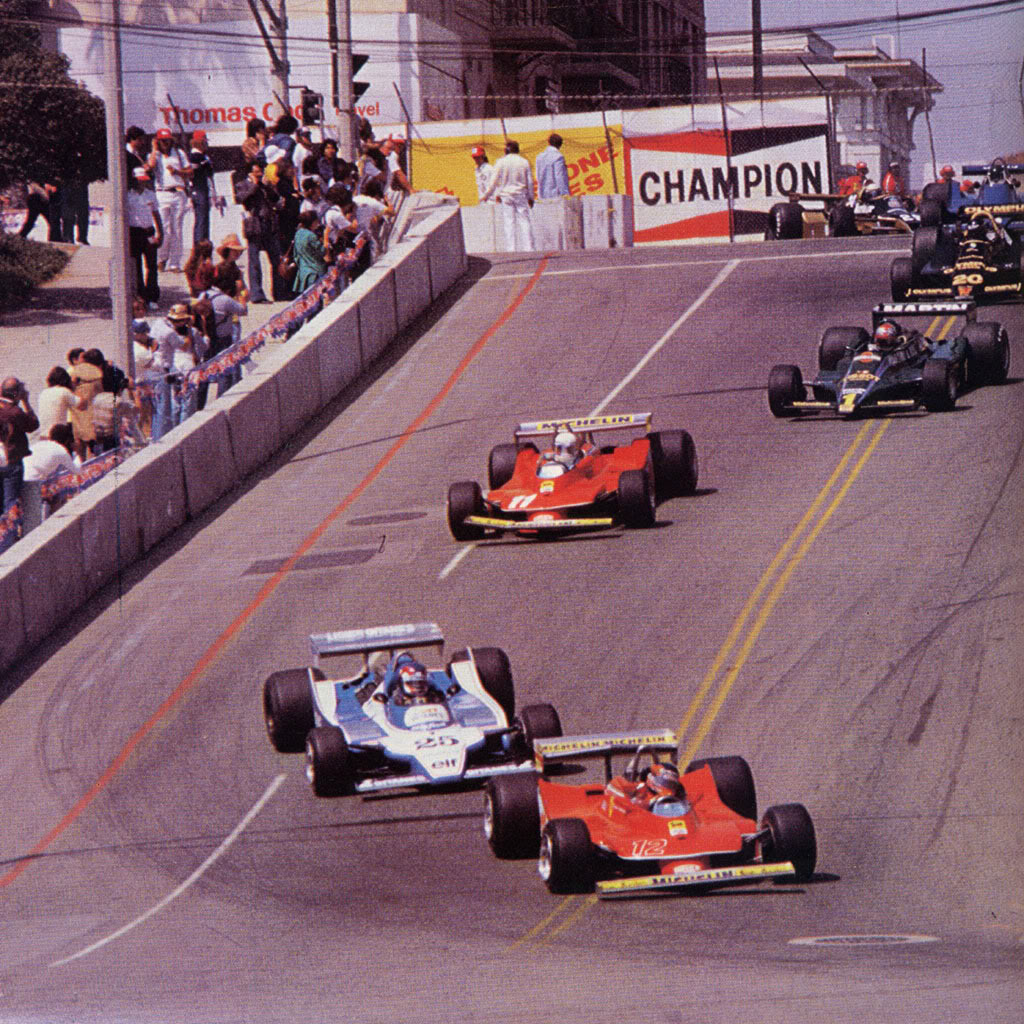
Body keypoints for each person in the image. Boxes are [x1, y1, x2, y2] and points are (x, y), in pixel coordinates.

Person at [235, 160, 285, 303]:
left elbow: (275, 198)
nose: (259, 174)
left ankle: (279, 292)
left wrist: (266, 186)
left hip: (268, 224)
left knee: (276, 259)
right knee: (254, 261)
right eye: (256, 171)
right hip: (254, 224)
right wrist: (254, 185)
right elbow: (241, 198)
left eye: (260, 172)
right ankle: (257, 294)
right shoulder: (242, 184)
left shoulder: (264, 186)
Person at [480, 139, 535, 252]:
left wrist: (486, 195)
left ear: (506, 150)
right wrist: (531, 197)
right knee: (524, 220)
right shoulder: (524, 162)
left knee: (509, 222)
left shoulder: (500, 162)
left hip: (506, 196)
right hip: (520, 194)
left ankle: (511, 249)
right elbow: (529, 181)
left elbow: (493, 182)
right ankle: (529, 247)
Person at [150, 127, 192, 272]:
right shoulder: (155, 155)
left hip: (178, 192)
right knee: (163, 228)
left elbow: (190, 172)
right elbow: (150, 167)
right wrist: (154, 149)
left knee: (177, 229)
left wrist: (177, 172)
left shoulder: (179, 154)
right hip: (161, 193)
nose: (165, 143)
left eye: (167, 140)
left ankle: (175, 262)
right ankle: (162, 258)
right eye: (162, 141)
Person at [0, 377, 40, 525]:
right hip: (12, 461)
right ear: (16, 393)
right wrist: (26, 402)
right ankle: (8, 539)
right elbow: (33, 425)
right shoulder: (15, 412)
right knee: (10, 503)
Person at [127, 166, 163, 308]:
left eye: (144, 180)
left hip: (149, 232)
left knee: (152, 266)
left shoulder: (150, 194)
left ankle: (152, 297)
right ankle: (140, 296)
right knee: (136, 266)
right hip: (135, 232)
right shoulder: (128, 195)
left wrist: (161, 232)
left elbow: (156, 213)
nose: (142, 183)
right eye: (140, 180)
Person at [188, 129, 220, 245]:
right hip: (198, 189)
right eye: (205, 142)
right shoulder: (194, 156)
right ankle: (199, 246)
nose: (207, 144)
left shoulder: (203, 156)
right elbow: (192, 172)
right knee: (201, 220)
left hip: (204, 189)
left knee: (204, 219)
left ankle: (204, 245)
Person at [37, 366, 84, 437]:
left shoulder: (43, 393)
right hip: (58, 436)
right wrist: (75, 388)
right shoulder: (64, 391)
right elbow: (82, 406)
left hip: (43, 435)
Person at [293, 209, 326, 292]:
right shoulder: (311, 236)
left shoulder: (298, 233)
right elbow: (322, 252)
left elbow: (295, 254)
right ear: (313, 222)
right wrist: (326, 241)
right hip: (315, 272)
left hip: (303, 271)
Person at [536, 133, 570, 198]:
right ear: (560, 145)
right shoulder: (558, 157)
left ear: (549, 143)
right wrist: (564, 193)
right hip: (555, 194)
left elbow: (538, 175)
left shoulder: (539, 156)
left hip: (542, 193)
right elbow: (559, 176)